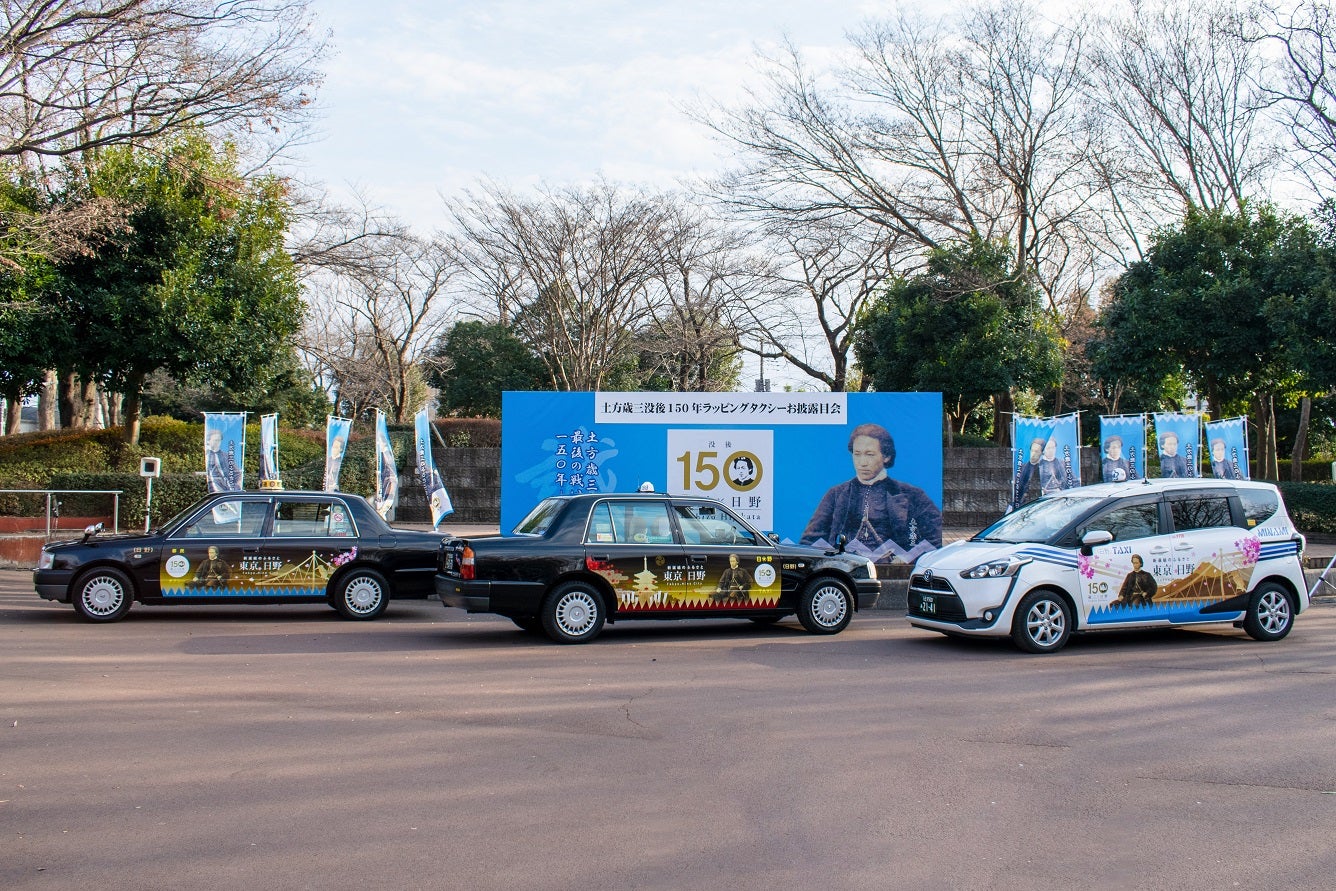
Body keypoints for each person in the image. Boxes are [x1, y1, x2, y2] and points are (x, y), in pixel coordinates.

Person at [800, 423, 942, 560]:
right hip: (845, 568)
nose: (862, 462)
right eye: (857, 454)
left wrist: (907, 557)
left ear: (886, 456)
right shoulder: (836, 494)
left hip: (891, 571)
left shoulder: (912, 495)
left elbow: (935, 538)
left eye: (869, 454)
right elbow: (809, 541)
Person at [1009, 438, 1044, 510]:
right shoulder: (1022, 468)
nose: (1034, 454)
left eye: (1037, 451)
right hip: (1023, 506)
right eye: (1032, 450)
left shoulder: (1044, 467)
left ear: (1041, 453)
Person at [205, 428, 233, 493]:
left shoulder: (226, 456)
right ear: (208, 441)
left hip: (227, 488)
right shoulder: (206, 455)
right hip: (211, 486)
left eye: (219, 440)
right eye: (215, 440)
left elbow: (236, 472)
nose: (217, 442)